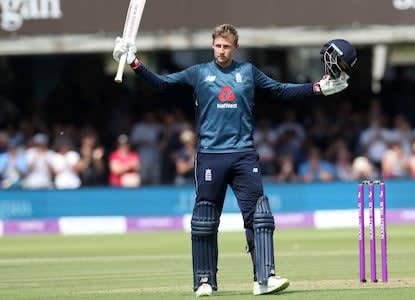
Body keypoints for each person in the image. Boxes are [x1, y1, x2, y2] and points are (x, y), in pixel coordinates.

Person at [113, 24, 355, 296]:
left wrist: (317, 89)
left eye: (226, 46)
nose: (221, 51)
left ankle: (264, 278)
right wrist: (134, 62)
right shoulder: (199, 73)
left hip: (243, 154)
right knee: (204, 220)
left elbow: (281, 90)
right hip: (210, 156)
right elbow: (162, 84)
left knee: (260, 216)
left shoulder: (247, 72)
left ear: (235, 48)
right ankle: (205, 281)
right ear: (212, 45)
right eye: (217, 45)